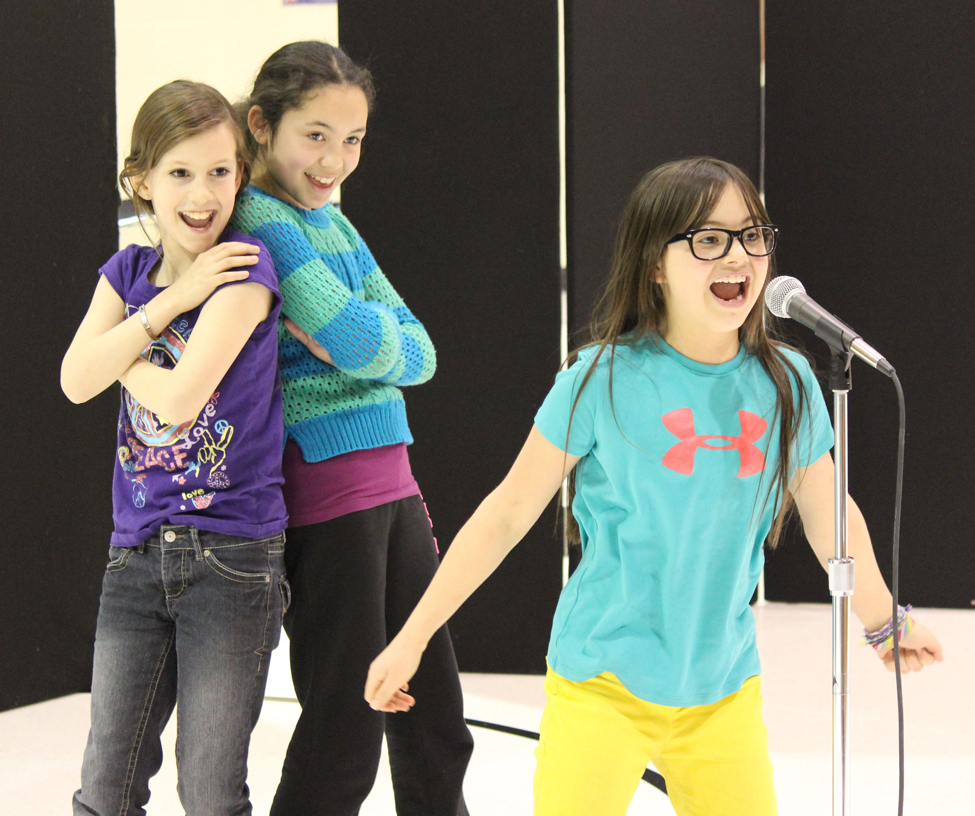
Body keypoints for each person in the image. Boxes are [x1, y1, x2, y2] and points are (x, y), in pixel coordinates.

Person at [364, 157, 944, 816]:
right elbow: (506, 513)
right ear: (654, 264)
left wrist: (880, 621)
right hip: (601, 682)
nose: (738, 256)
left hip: (720, 686)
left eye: (752, 235)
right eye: (707, 239)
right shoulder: (599, 378)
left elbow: (828, 512)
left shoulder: (786, 381)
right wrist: (411, 638)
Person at [230, 41, 473, 816]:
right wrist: (363, 340)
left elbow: (421, 353)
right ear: (262, 126)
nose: (335, 158)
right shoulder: (264, 220)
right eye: (316, 135)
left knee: (432, 714)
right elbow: (376, 343)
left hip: (392, 486)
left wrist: (358, 339)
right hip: (329, 495)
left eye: (353, 140)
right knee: (346, 725)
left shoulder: (331, 224)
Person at [61, 80, 288, 816]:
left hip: (233, 557)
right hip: (134, 556)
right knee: (106, 786)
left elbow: (176, 397)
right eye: (180, 173)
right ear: (142, 183)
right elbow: (72, 382)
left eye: (220, 171)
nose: (202, 193)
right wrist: (165, 306)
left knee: (211, 790)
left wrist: (119, 347)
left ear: (240, 177)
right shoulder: (128, 273)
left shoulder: (243, 267)